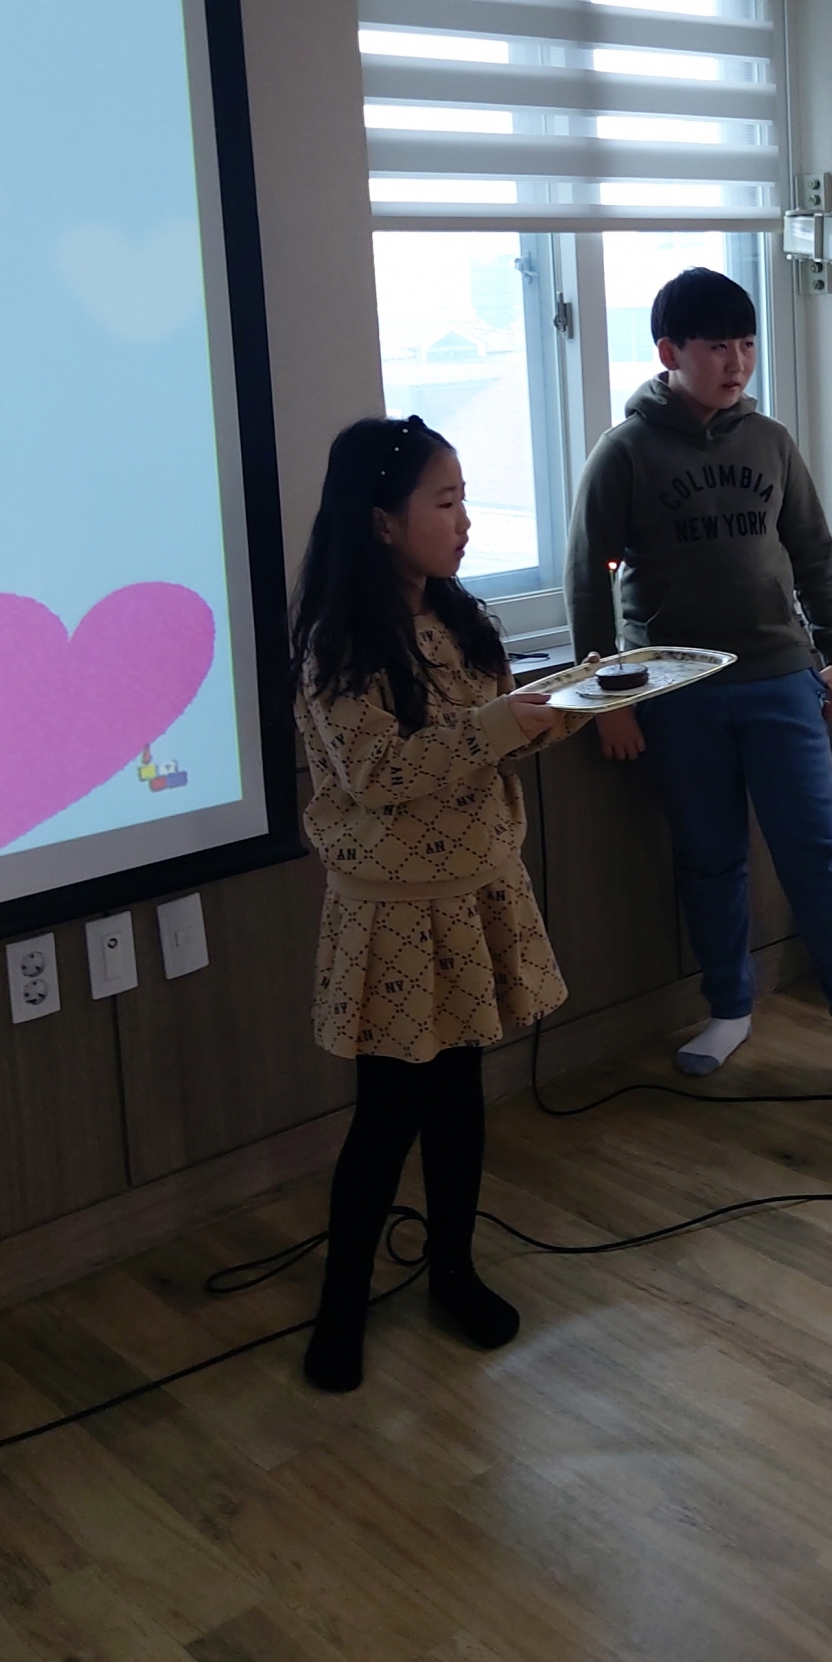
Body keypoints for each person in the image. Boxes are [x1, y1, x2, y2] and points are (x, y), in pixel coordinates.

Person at [564, 265, 832, 1109]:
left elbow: (815, 553)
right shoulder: (625, 451)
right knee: (709, 859)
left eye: (746, 344)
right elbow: (585, 580)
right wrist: (608, 699)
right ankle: (728, 1009)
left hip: (780, 679)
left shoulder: (771, 442)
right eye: (718, 346)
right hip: (677, 690)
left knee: (816, 856)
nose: (737, 361)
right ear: (669, 351)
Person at [290, 414, 579, 1392]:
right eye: (444, 502)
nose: (464, 521)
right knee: (387, 1114)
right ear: (381, 521)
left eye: (463, 500)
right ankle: (340, 1308)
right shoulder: (338, 642)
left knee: (459, 1094)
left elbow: (486, 742)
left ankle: (452, 1269)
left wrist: (569, 708)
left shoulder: (459, 617)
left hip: (472, 891)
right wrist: (500, 725)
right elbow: (376, 772)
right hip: (394, 912)